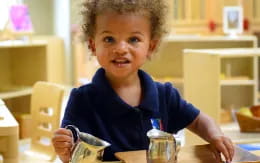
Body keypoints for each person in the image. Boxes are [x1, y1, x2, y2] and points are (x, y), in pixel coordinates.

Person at [52, 0, 234, 162]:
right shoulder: (82, 100)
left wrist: (215, 136)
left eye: (133, 39)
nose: (121, 48)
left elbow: (199, 121)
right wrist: (64, 151)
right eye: (109, 39)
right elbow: (71, 152)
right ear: (93, 45)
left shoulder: (165, 96)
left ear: (150, 46)